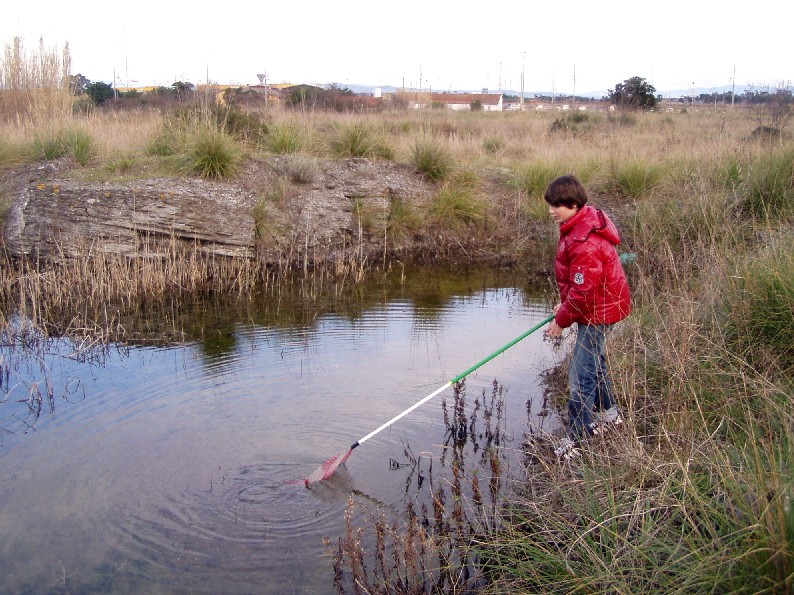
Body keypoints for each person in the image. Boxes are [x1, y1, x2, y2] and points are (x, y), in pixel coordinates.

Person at [543, 175, 632, 460]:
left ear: (573, 203)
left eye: (557, 205)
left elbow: (583, 293)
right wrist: (565, 304)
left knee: (580, 375)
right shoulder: (578, 225)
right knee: (595, 361)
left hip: (598, 312)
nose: (552, 211)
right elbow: (580, 286)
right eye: (550, 205)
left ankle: (577, 440)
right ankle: (610, 416)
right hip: (598, 307)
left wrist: (561, 321)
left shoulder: (585, 239)